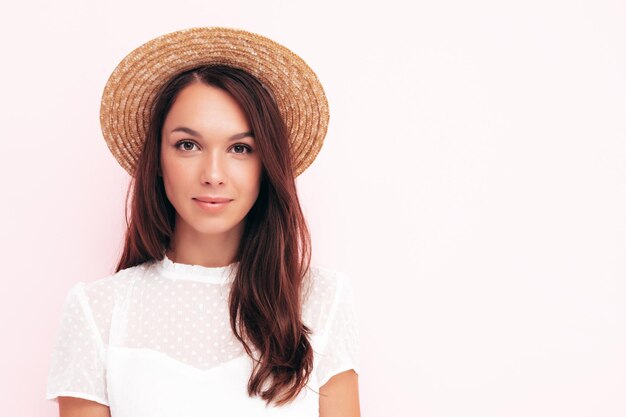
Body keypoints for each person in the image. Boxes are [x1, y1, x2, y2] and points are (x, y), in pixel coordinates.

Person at [44, 27, 361, 417]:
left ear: (267, 166)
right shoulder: (97, 311)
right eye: (188, 145)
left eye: (240, 148)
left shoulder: (320, 299)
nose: (213, 173)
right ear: (157, 160)